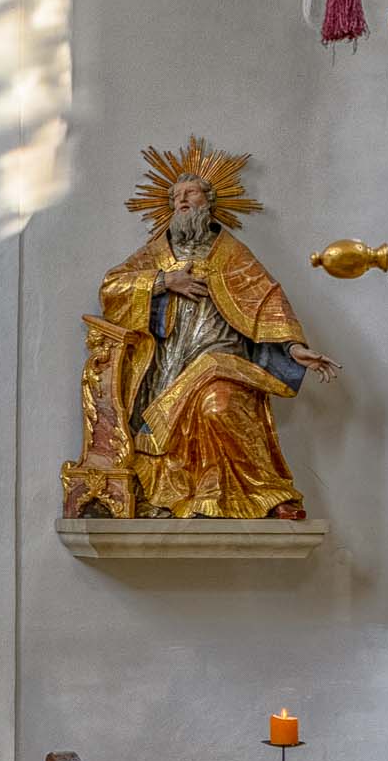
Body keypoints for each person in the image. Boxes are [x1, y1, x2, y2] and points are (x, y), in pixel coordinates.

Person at [81, 140, 338, 519]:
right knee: (166, 433)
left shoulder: (231, 253)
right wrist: (163, 282)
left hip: (222, 362)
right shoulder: (156, 254)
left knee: (219, 408)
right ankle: (176, 498)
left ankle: (265, 493)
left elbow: (266, 300)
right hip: (170, 366)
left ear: (209, 201)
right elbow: (110, 288)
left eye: (191, 194)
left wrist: (293, 348)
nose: (182, 201)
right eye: (176, 197)